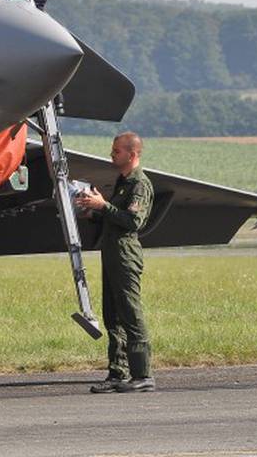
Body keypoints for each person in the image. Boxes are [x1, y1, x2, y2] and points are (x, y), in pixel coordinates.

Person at [74, 132, 155, 393]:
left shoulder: (139, 184)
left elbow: (133, 222)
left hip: (125, 254)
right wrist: (94, 209)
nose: (112, 154)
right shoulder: (122, 182)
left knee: (130, 312)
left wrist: (104, 205)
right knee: (113, 314)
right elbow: (114, 216)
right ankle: (117, 372)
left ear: (132, 155)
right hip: (111, 252)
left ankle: (142, 374)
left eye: (117, 151)